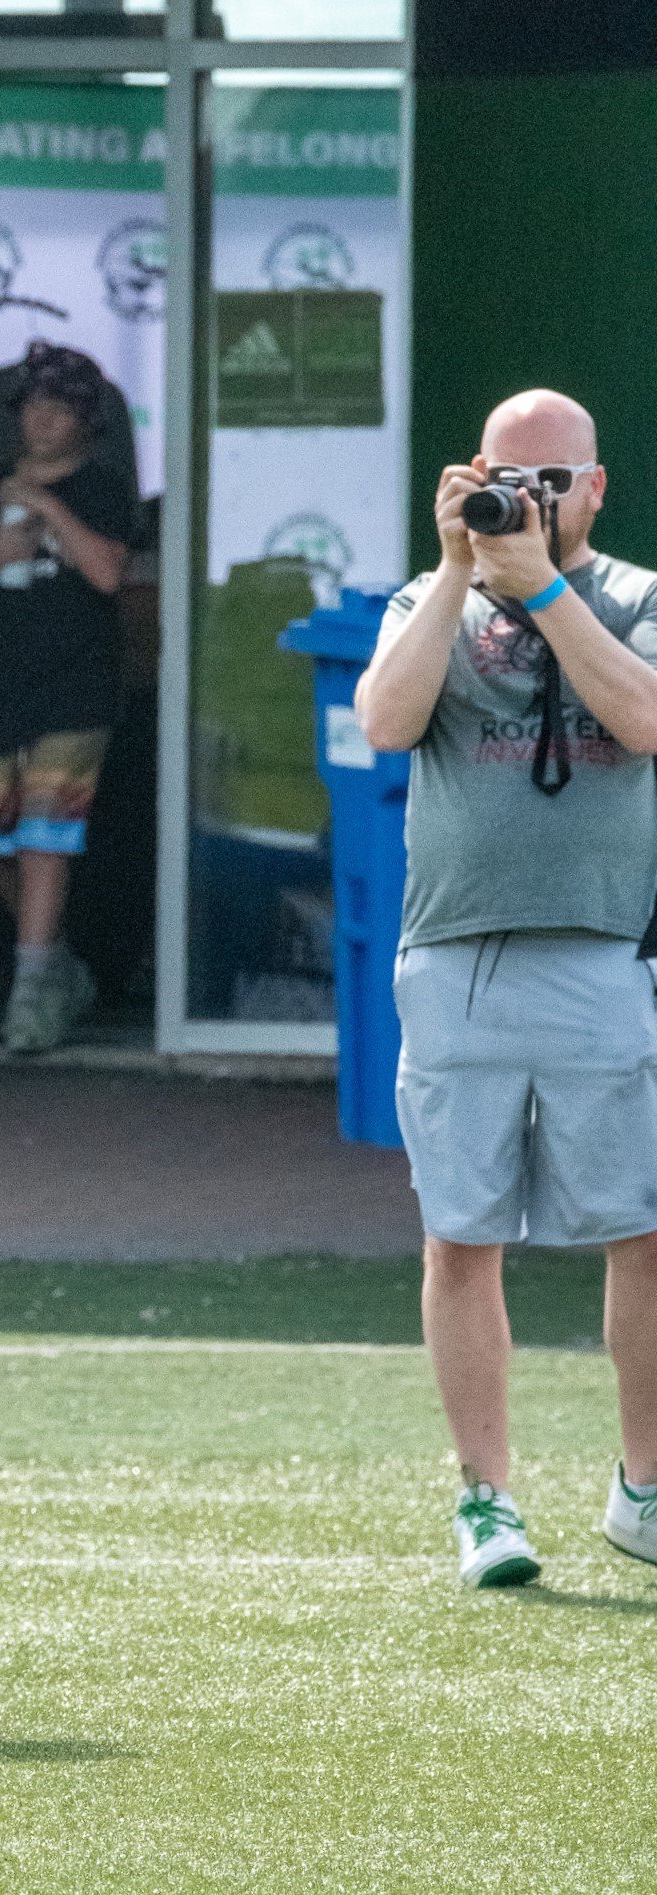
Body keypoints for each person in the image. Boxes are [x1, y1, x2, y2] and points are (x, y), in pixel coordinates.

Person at [355, 388, 657, 1588]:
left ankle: (643, 1485)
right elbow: (384, 718)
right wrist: (455, 568)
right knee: (460, 1233)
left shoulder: (636, 598)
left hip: (605, 955)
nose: (522, 503)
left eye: (548, 482)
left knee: (640, 1231)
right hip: (457, 955)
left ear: (594, 487)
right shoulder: (427, 599)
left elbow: (640, 719)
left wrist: (538, 585)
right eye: (502, 479)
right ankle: (486, 1497)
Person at [0, 342, 137, 1053]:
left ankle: (28, 1005)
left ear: (87, 419)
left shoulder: (101, 488)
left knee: (48, 838)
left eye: (60, 407)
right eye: (33, 405)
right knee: (1, 847)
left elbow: (108, 574)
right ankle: (57, 973)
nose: (43, 420)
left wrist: (43, 505)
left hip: (75, 691)